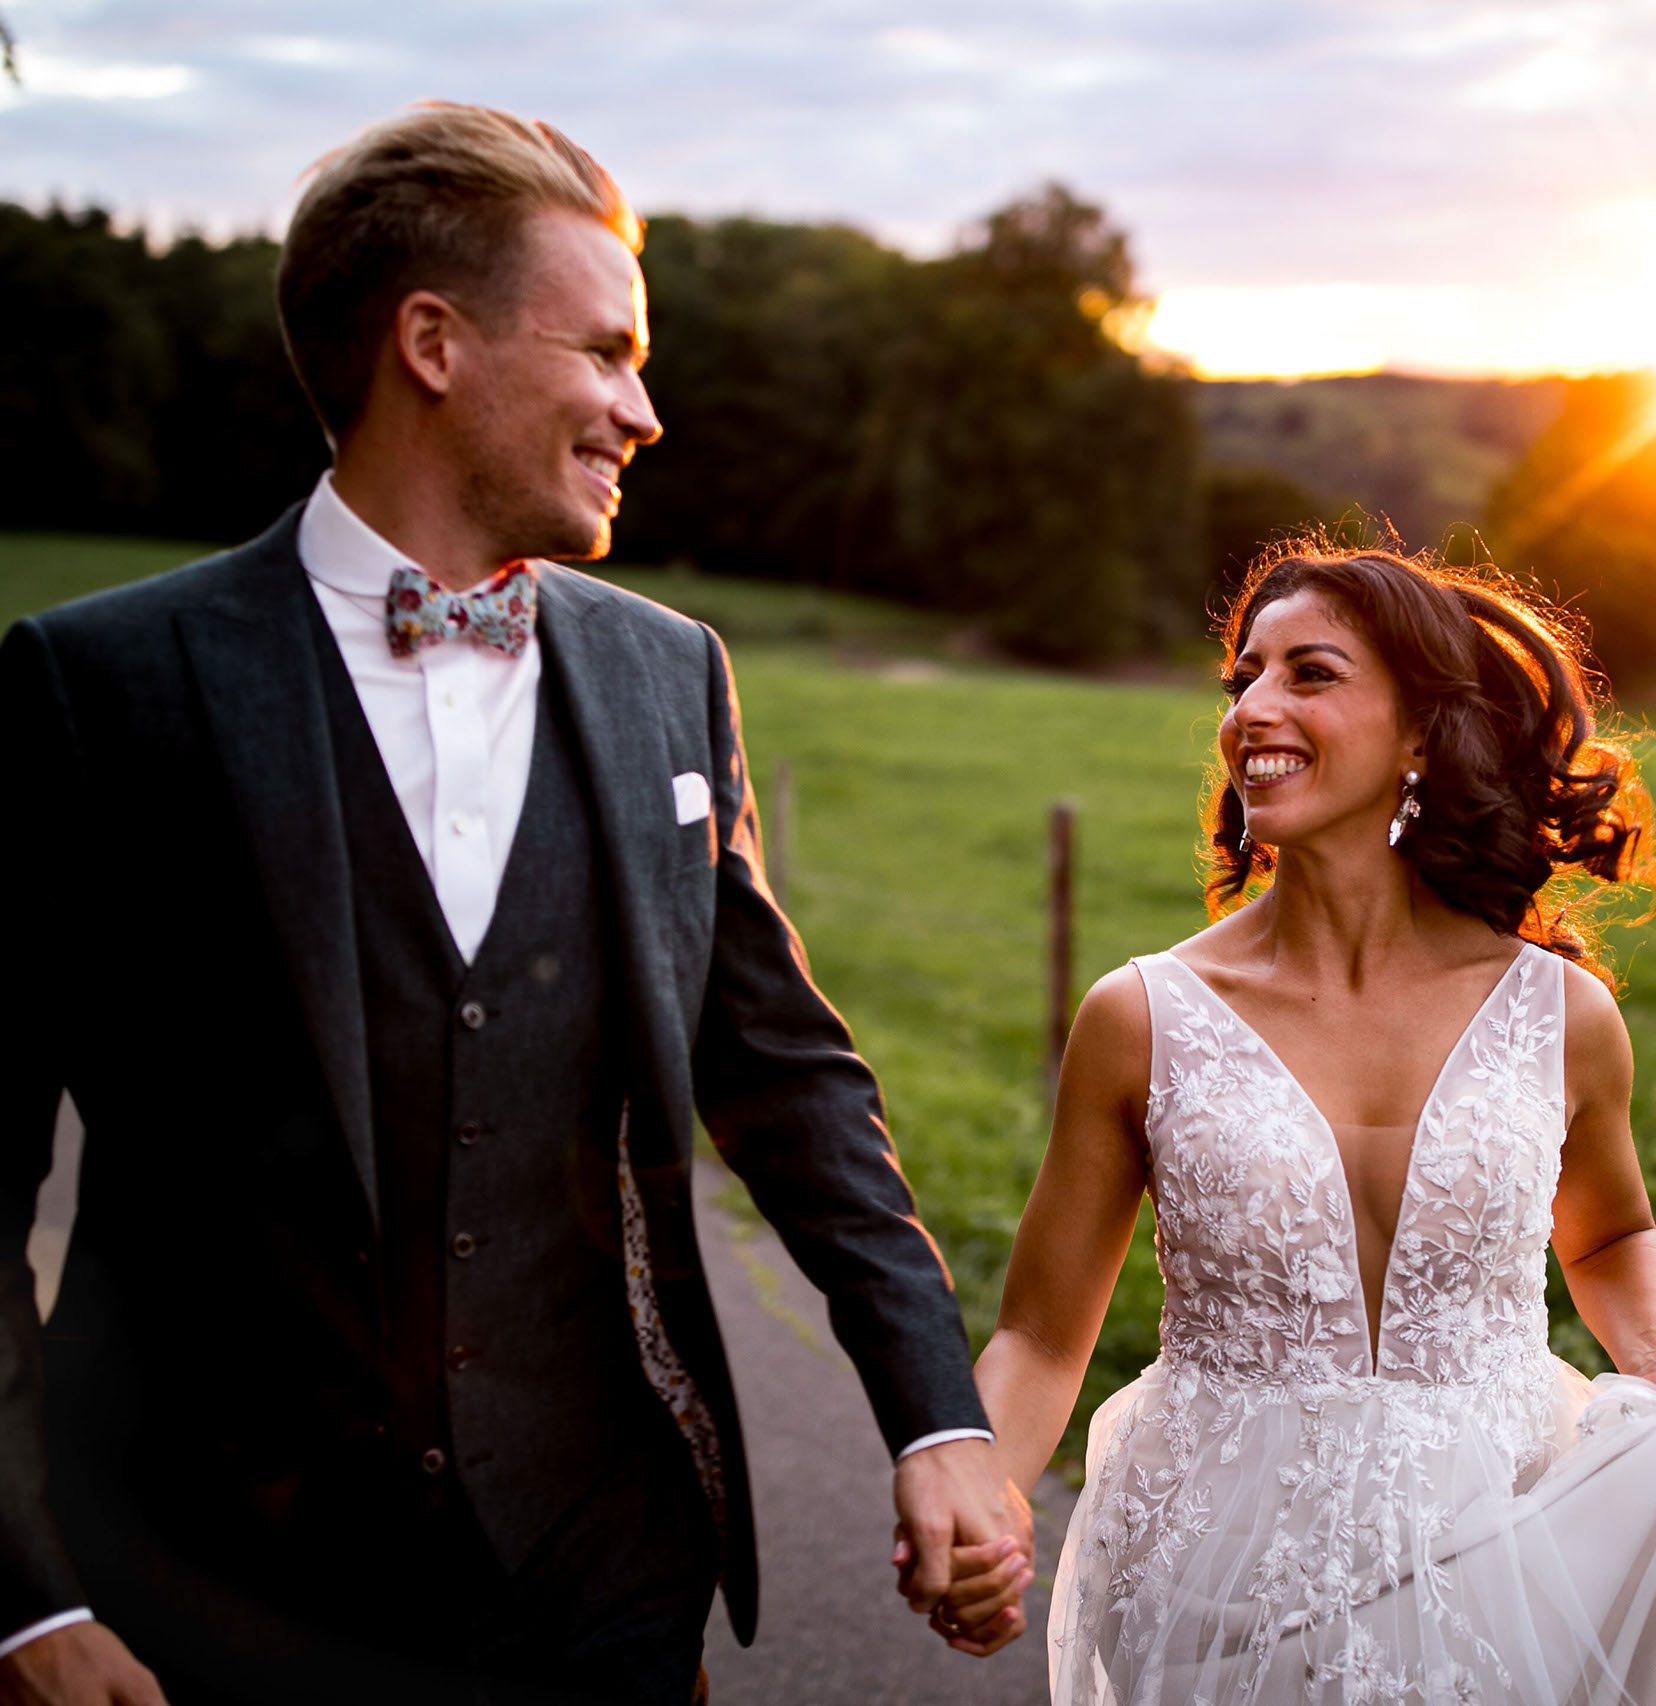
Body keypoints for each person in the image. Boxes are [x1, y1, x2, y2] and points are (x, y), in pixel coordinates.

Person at [0, 104, 1029, 1706]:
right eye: (609, 351)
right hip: (208, 1604)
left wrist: (936, 1412)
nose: (647, 409)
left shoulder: (666, 672)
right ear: (433, 342)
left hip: (608, 1586)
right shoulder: (103, 688)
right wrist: (20, 1600)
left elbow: (789, 1075)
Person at [974, 545, 1656, 1704]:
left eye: (1309, 674)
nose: (1253, 709)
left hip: (1506, 1538)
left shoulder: (1561, 1014)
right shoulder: (1141, 1017)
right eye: (1242, 679)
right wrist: (984, 1493)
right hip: (1214, 1567)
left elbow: (1610, 1236)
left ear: (1420, 735)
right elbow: (1041, 1336)